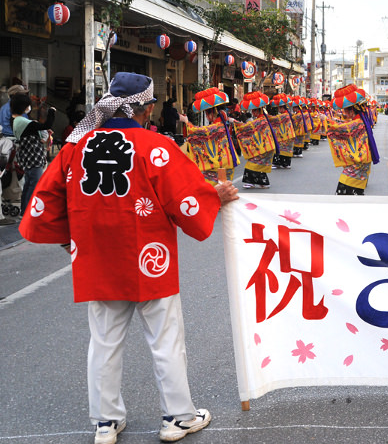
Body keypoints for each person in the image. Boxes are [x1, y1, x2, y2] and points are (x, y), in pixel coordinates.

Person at [19, 72, 239, 444]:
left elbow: (48, 196)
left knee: (103, 341)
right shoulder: (155, 146)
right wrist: (214, 196)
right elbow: (184, 199)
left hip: (97, 257)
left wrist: (69, 238)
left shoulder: (76, 145)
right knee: (166, 339)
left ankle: (105, 423)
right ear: (146, 108)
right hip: (149, 257)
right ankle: (178, 418)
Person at [324, 84, 379, 195]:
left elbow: (344, 128)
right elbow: (347, 124)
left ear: (352, 110)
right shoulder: (360, 118)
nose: (344, 113)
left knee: (346, 189)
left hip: (359, 161)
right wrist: (334, 119)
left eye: (345, 110)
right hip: (361, 159)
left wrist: (327, 121)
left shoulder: (357, 122)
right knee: (353, 191)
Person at [178, 88, 240, 185]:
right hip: (224, 162)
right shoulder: (221, 123)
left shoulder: (217, 125)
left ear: (214, 111)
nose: (206, 116)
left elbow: (201, 133)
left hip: (220, 165)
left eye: (207, 113)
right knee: (221, 189)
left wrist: (186, 122)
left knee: (212, 190)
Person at [10, 92, 55, 212]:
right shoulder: (24, 122)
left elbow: (34, 131)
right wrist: (52, 111)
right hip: (33, 157)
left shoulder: (16, 120)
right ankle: (29, 211)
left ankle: (25, 210)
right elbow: (47, 125)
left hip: (27, 157)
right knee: (34, 184)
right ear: (23, 106)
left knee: (28, 184)